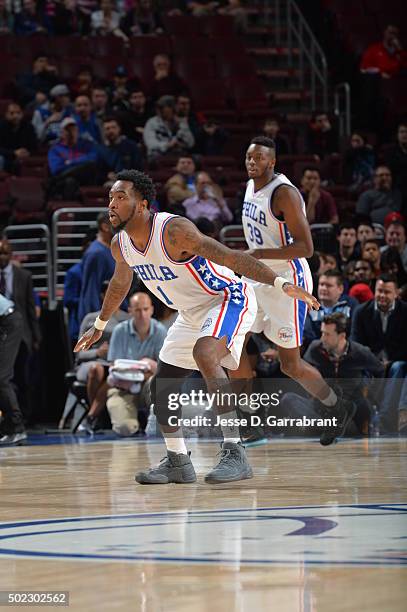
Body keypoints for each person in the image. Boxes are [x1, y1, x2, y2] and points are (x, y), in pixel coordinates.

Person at [75, 169, 318, 485]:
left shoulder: (174, 231)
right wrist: (100, 324)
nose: (112, 204)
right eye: (111, 197)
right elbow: (121, 281)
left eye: (121, 197)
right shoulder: (121, 244)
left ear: (143, 204)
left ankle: (235, 451)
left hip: (227, 297)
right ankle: (177, 460)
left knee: (206, 353)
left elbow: (231, 257)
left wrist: (280, 282)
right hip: (190, 311)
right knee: (162, 384)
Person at [231, 136, 355, 446]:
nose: (251, 163)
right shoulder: (250, 186)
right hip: (256, 276)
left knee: (290, 364)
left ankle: (336, 406)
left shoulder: (284, 193)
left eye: (257, 158)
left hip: (289, 281)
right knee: (232, 344)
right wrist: (252, 257)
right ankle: (250, 419)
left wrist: (259, 254)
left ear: (271, 162)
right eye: (248, 157)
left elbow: (307, 248)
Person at [351, 275, 407, 433]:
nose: (382, 295)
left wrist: (389, 361)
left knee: (399, 367)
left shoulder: (405, 311)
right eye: (379, 291)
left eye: (387, 292)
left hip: (396, 361)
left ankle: (386, 418)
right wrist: (373, 361)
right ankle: (358, 423)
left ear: (396, 293)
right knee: (356, 370)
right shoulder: (361, 311)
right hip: (369, 362)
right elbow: (356, 343)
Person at [106, 292, 167, 436]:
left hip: (148, 385)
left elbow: (165, 370)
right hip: (123, 387)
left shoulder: (161, 331)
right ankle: (134, 423)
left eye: (145, 309)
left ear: (151, 310)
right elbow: (113, 366)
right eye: (138, 310)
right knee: (124, 428)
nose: (142, 314)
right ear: (130, 311)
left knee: (159, 382)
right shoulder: (119, 331)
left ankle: (157, 421)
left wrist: (151, 366)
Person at [76, 281, 129, 432]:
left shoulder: (127, 319)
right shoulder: (90, 319)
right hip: (92, 361)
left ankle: (92, 416)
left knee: (113, 373)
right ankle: (97, 417)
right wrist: (97, 352)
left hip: (117, 363)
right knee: (96, 369)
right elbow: (79, 351)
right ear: (102, 296)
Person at [47, 117, 97, 200]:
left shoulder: (86, 145)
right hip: (63, 182)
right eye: (68, 130)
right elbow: (56, 169)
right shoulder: (55, 149)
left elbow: (93, 159)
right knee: (70, 181)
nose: (71, 133)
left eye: (73, 130)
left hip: (85, 179)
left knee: (91, 166)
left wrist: (70, 162)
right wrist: (81, 163)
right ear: (62, 132)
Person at [78, 212, 114, 323]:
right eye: (117, 222)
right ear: (105, 226)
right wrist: (96, 325)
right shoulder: (96, 254)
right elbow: (91, 292)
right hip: (102, 321)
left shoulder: (111, 249)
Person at [0, 294, 25, 445]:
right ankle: (8, 427)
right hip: (5, 321)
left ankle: (17, 427)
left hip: (8, 321)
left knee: (1, 377)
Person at [143, 95, 194, 161]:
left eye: (162, 107)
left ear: (173, 108)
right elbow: (150, 144)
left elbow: (191, 143)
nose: (159, 110)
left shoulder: (181, 122)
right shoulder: (152, 122)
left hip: (179, 157)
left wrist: (182, 126)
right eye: (159, 108)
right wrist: (167, 145)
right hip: (158, 158)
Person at [98, 116, 143, 183]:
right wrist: (106, 175)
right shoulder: (100, 150)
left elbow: (138, 168)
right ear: (103, 131)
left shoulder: (131, 146)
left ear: (119, 128)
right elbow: (99, 171)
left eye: (113, 127)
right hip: (108, 183)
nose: (111, 131)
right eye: (107, 128)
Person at [0, 102, 38, 174]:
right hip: (6, 156)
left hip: (22, 157)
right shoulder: (1, 126)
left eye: (18, 113)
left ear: (22, 114)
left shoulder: (28, 126)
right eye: (12, 113)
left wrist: (27, 152)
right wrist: (14, 152)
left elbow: (34, 146)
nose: (16, 116)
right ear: (6, 114)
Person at [385, 122, 407, 205]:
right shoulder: (390, 152)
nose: (405, 134)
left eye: (406, 132)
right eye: (402, 132)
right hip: (397, 188)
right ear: (397, 135)